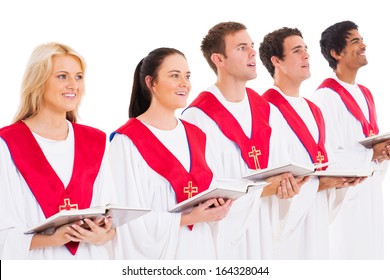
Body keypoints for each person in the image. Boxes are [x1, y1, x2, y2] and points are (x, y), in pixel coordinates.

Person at [182, 21, 308, 259]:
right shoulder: (197, 117)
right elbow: (205, 193)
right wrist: (265, 189)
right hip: (223, 241)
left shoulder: (267, 111)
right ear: (218, 59)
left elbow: (281, 171)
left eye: (251, 45)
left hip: (263, 232)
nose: (252, 52)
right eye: (241, 47)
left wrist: (286, 187)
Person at [109, 47, 232, 259]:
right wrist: (187, 218)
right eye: (175, 76)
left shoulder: (197, 136)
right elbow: (126, 222)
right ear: (151, 83)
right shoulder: (127, 142)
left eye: (187, 76)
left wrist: (217, 206)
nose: (184, 83)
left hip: (200, 250)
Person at [0, 42, 116, 259]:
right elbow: (3, 232)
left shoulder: (95, 141)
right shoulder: (7, 144)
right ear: (39, 81)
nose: (74, 85)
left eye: (79, 77)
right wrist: (53, 239)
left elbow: (110, 224)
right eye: (62, 76)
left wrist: (101, 235)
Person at [259, 27, 364, 259]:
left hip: (315, 215)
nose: (306, 55)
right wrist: (318, 185)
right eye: (297, 51)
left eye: (306, 50)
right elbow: (269, 177)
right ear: (276, 60)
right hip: (286, 225)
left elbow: (325, 161)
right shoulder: (263, 110)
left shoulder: (314, 110)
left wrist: (340, 180)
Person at [311, 20, 390, 259]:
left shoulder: (365, 93)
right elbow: (326, 157)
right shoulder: (325, 97)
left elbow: (368, 142)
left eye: (361, 39)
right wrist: (371, 154)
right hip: (346, 201)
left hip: (370, 195)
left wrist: (383, 152)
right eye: (355, 41)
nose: (363, 44)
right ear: (336, 53)